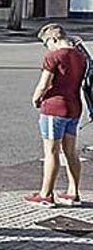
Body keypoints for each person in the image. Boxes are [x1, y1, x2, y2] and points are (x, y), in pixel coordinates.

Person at [26, 24, 89, 207]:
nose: (47, 47)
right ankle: (73, 192)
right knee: (70, 151)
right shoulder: (80, 56)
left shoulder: (54, 56)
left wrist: (36, 98)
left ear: (53, 38)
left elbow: (44, 84)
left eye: (46, 43)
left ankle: (45, 195)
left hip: (54, 108)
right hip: (74, 107)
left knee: (51, 151)